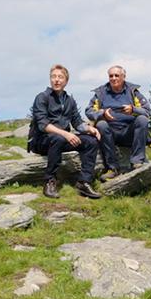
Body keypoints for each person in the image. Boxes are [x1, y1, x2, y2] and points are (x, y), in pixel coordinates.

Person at [28, 64, 101, 199]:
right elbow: (43, 125)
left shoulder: (69, 101)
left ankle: (84, 182)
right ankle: (50, 181)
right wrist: (66, 134)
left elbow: (77, 123)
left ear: (66, 81)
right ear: (50, 79)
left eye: (60, 77)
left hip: (62, 140)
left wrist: (90, 129)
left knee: (90, 141)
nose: (56, 80)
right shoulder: (42, 97)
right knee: (58, 138)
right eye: (53, 77)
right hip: (42, 141)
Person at [85, 64, 151, 180]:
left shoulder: (133, 91)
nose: (114, 78)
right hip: (109, 133)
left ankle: (137, 162)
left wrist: (133, 110)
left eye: (117, 75)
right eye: (111, 76)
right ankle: (112, 168)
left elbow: (147, 111)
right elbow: (89, 111)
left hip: (129, 132)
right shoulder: (101, 93)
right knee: (101, 124)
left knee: (142, 119)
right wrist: (102, 113)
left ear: (123, 77)